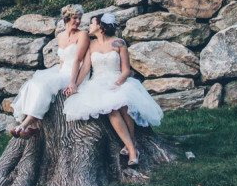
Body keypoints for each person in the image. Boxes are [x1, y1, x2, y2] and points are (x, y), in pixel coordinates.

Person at [63, 12, 163, 166]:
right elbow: (86, 68)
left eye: (92, 23)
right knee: (111, 109)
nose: (89, 26)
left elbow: (126, 70)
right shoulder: (92, 44)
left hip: (118, 80)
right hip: (98, 83)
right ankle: (132, 149)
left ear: (100, 27)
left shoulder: (119, 43)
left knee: (123, 104)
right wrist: (74, 84)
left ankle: (131, 147)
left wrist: (117, 83)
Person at [11, 4, 90, 138]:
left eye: (80, 18)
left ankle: (24, 125)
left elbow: (77, 60)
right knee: (33, 83)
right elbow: (62, 59)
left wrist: (73, 83)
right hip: (62, 70)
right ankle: (33, 126)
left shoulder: (83, 35)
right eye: (75, 18)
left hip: (75, 74)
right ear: (66, 18)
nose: (78, 21)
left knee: (45, 85)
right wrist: (57, 72)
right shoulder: (60, 36)